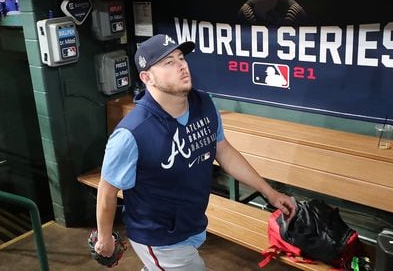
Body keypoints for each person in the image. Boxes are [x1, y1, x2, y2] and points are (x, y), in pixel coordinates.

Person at [94, 34, 296, 270]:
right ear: (147, 77)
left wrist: (269, 193)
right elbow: (107, 191)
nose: (182, 66)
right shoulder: (132, 133)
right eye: (169, 62)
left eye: (181, 58)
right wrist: (104, 238)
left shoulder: (203, 104)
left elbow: (224, 150)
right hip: (158, 236)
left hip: (192, 222)